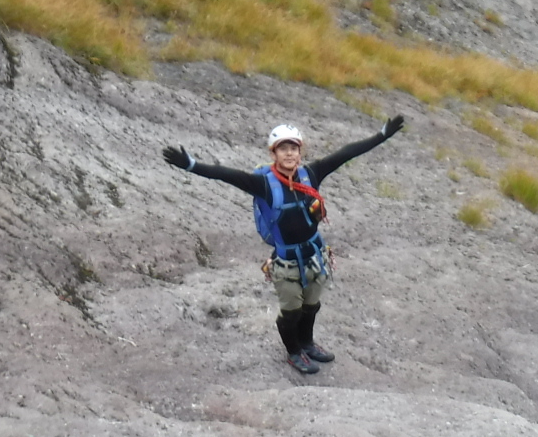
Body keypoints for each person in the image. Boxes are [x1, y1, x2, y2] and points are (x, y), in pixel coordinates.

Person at [163, 115, 405, 374]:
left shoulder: (311, 174)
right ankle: (293, 352)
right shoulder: (262, 184)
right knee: (291, 312)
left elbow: (345, 154)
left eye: (293, 148)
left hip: (315, 256)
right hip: (286, 262)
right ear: (274, 153)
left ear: (300, 152)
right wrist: (190, 165)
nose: (289, 153)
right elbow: (226, 175)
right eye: (283, 148)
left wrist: (382, 135)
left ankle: (307, 344)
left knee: (312, 305)